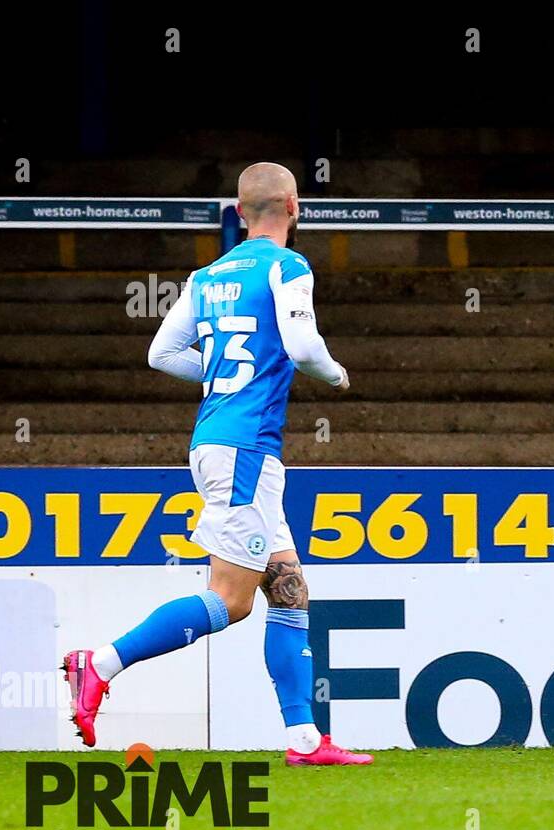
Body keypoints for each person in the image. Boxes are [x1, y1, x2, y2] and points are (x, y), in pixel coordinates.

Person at [63, 162, 372, 766]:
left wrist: (223, 379)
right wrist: (334, 374)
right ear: (294, 205)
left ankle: (304, 740)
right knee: (231, 602)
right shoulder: (287, 266)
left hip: (223, 441)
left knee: (288, 592)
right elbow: (306, 347)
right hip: (245, 449)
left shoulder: (207, 275)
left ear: (238, 212)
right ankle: (97, 663)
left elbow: (161, 353)